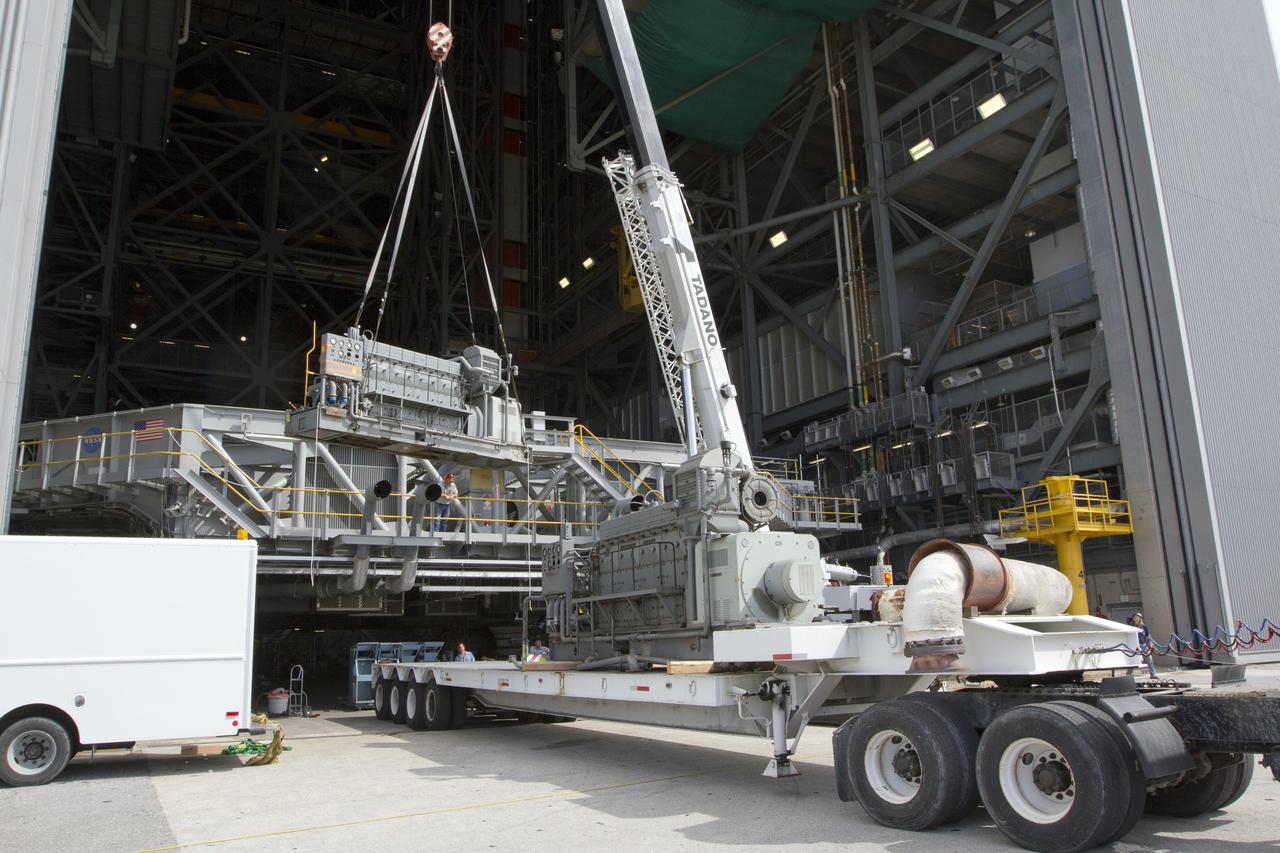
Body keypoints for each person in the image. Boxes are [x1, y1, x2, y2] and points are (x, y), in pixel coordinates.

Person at [1132, 612, 1157, 678]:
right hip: (1137, 646)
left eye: (1137, 617)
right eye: (1134, 617)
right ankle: (1129, 674)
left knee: (1149, 659)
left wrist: (1150, 643)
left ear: (1140, 618)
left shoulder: (1144, 626)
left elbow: (1147, 635)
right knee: (1133, 659)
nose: (1135, 618)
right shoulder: (1133, 628)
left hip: (1144, 645)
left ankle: (1153, 674)